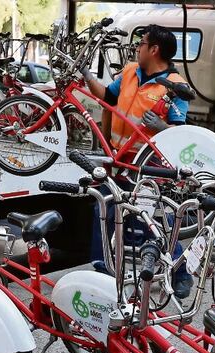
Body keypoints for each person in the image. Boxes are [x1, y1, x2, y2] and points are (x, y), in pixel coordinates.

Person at [81, 24, 194, 298]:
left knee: (147, 219)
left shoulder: (176, 85)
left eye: (141, 43)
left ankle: (181, 272)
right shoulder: (131, 71)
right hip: (118, 160)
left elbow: (180, 133)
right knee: (103, 211)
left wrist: (160, 126)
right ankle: (101, 269)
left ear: (154, 49)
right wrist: (85, 74)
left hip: (146, 166)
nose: (137, 48)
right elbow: (107, 96)